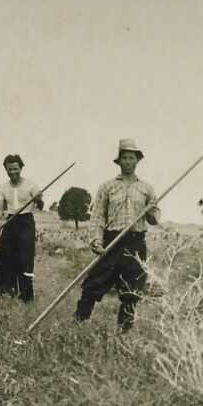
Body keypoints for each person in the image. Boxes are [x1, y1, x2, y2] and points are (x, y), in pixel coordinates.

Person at [74, 138, 160, 331]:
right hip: (111, 241)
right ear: (119, 161)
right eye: (125, 158)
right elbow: (97, 218)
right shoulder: (107, 187)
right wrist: (96, 240)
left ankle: (124, 332)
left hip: (136, 242)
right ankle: (78, 323)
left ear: (137, 161)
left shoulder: (147, 188)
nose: (128, 161)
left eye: (132, 158)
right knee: (94, 284)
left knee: (132, 289)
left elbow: (155, 218)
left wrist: (151, 210)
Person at [0, 154, 43, 302]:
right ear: (5, 170)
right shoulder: (3, 187)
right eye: (9, 169)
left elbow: (40, 205)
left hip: (26, 222)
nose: (12, 172)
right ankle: (4, 294)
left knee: (24, 259)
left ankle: (26, 298)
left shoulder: (31, 185)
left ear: (21, 168)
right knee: (6, 257)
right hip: (10, 222)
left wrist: (38, 198)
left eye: (15, 169)